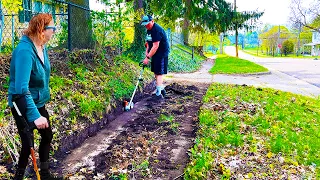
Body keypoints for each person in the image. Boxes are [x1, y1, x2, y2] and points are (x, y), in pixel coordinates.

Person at [8, 13, 63, 180]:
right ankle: (18, 176)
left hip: (37, 100)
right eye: (52, 28)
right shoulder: (25, 51)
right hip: (21, 102)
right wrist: (34, 116)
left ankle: (45, 174)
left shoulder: (41, 45)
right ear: (41, 29)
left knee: (47, 136)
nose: (54, 31)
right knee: (27, 144)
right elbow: (21, 89)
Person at [141, 15, 170, 99]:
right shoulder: (148, 30)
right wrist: (147, 52)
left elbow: (155, 46)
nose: (146, 26)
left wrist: (148, 57)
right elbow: (148, 43)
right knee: (155, 70)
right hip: (154, 52)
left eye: (148, 24)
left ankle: (158, 94)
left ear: (152, 21)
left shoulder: (157, 30)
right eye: (145, 24)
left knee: (159, 72)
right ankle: (161, 89)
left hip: (161, 53)